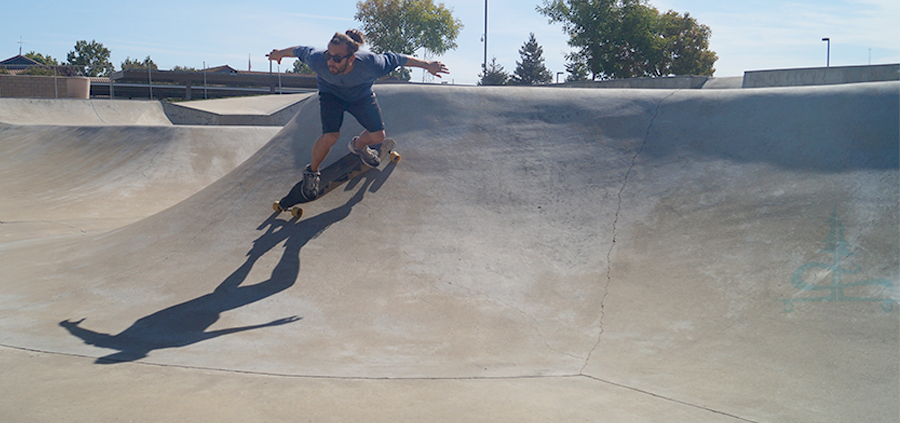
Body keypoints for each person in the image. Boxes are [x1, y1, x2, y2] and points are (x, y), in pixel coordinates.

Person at [268, 29, 449, 200]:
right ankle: (312, 172)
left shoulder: (371, 64)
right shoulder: (318, 60)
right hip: (331, 96)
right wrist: (279, 54)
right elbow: (300, 50)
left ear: (351, 58)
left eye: (337, 58)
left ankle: (358, 146)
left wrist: (427, 65)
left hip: (361, 96)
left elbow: (398, 59)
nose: (330, 62)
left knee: (378, 136)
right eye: (328, 55)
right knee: (330, 136)